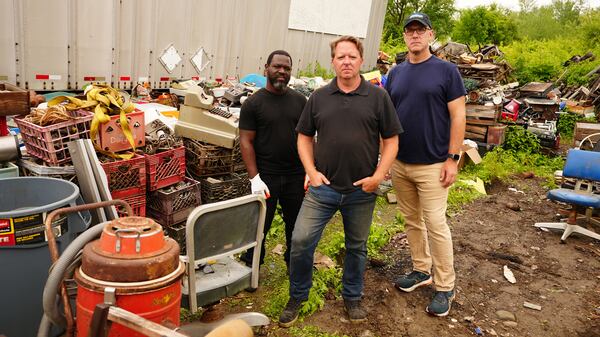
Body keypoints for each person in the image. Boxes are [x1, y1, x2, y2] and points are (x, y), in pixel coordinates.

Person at [278, 36, 403, 327]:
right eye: (340, 57)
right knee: (300, 241)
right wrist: (311, 171)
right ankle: (298, 295)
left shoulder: (378, 98)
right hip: (323, 190)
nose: (346, 62)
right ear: (333, 61)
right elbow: (304, 137)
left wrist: (379, 176)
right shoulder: (319, 97)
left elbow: (392, 141)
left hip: (361, 190)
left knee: (357, 247)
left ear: (361, 60)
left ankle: (352, 297)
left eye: (352, 56)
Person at [385, 12, 466, 317]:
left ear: (431, 35)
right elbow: (388, 118)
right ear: (405, 36)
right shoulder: (396, 73)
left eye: (421, 30)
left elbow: (458, 116)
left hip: (434, 164)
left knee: (436, 224)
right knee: (411, 221)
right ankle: (422, 269)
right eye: (410, 31)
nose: (415, 35)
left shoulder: (446, 71)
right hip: (401, 163)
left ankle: (446, 286)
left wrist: (453, 158)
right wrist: (386, 157)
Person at [239, 50, 307, 270]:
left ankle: (293, 262)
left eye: (286, 68)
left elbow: (308, 138)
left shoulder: (300, 101)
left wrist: (309, 169)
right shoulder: (253, 104)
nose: (281, 72)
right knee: (260, 225)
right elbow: (246, 141)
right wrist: (254, 178)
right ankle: (253, 264)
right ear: (266, 68)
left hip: (296, 175)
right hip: (265, 177)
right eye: (277, 66)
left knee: (295, 225)